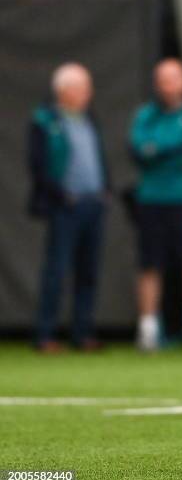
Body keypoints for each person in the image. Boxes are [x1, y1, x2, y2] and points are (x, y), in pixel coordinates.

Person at [28, 62, 109, 352]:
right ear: (64, 90)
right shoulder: (45, 121)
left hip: (92, 204)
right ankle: (45, 334)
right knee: (57, 271)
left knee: (88, 273)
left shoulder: (88, 119)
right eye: (82, 87)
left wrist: (104, 192)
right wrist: (62, 196)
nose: (88, 93)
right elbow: (39, 166)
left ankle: (82, 332)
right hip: (65, 207)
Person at [130, 58, 182, 351]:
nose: (167, 85)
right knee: (150, 264)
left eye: (173, 78)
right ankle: (148, 328)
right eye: (162, 79)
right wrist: (180, 143)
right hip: (152, 201)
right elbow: (141, 150)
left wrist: (162, 148)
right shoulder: (146, 115)